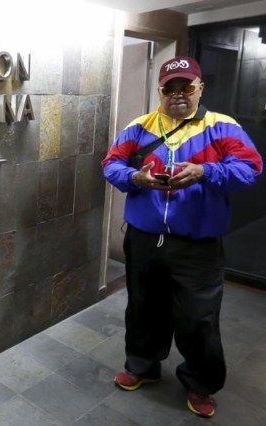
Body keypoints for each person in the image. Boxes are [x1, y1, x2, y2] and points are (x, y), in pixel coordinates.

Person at [101, 55, 263, 418]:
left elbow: (250, 168)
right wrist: (135, 179)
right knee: (144, 308)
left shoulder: (223, 127)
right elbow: (111, 164)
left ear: (200, 88)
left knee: (198, 317)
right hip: (144, 239)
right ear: (160, 91)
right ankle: (142, 366)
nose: (178, 94)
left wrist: (206, 172)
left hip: (198, 244)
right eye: (169, 88)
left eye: (186, 87)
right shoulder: (139, 126)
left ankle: (201, 383)